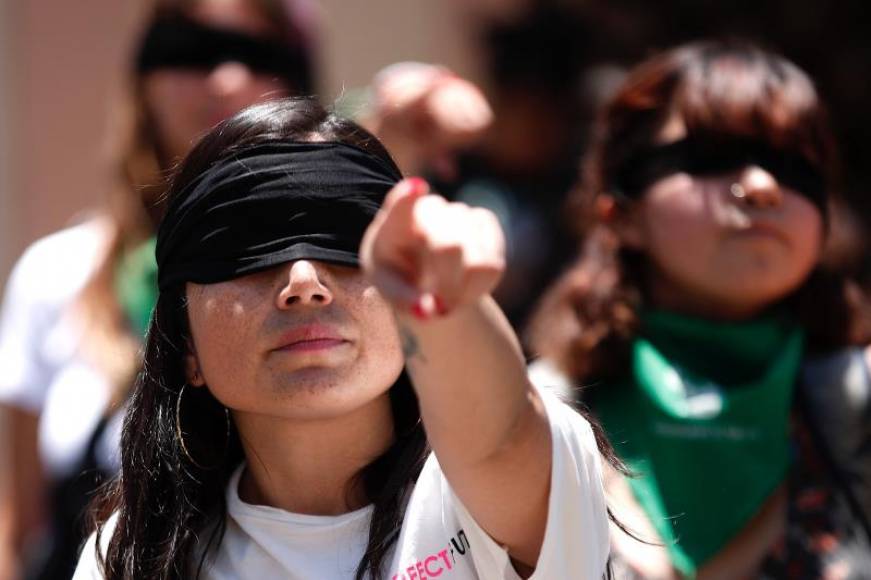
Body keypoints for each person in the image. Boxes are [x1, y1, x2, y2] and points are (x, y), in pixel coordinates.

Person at [72, 97, 612, 580]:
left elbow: (502, 441)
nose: (304, 283)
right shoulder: (127, 556)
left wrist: (447, 305)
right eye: (247, 247)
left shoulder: (471, 498)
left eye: (346, 240)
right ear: (186, 343)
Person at [527, 40, 871, 578]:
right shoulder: (539, 415)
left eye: (795, 166)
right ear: (621, 214)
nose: (761, 187)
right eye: (712, 157)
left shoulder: (856, 403)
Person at [0, 1, 313, 578]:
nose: (226, 79)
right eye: (190, 52)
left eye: (259, 56)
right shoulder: (54, 274)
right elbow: (17, 525)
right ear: (142, 81)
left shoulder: (322, 277)